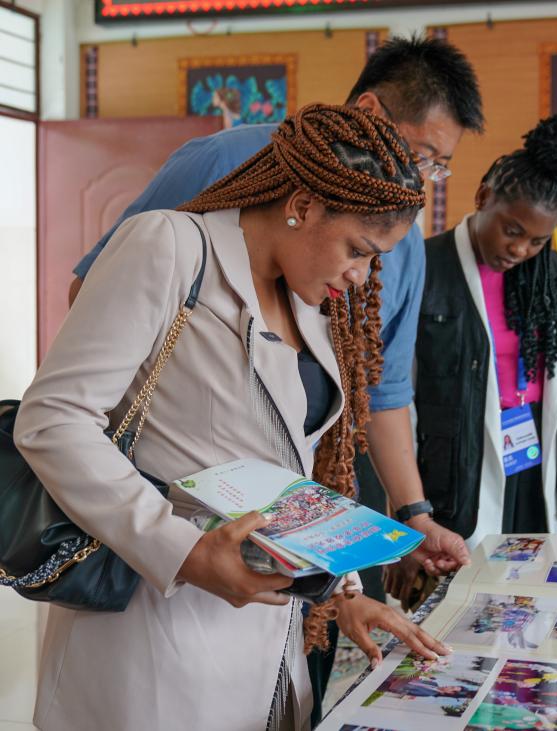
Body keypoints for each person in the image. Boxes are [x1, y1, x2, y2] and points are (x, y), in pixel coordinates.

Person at [66, 34, 483, 721]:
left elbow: (295, 457)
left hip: (264, 624)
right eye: (359, 251)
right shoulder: (180, 230)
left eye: (437, 168)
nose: (363, 277)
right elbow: (63, 411)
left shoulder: (312, 289)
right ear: (305, 206)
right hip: (159, 613)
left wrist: (346, 588)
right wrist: (181, 550)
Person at [386, 115, 557, 607]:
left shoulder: (554, 275)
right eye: (511, 230)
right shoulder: (426, 266)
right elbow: (396, 399)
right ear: (482, 197)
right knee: (456, 606)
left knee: (538, 604)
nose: (519, 249)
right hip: (456, 466)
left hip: (540, 466)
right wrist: (403, 522)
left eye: (537, 241)